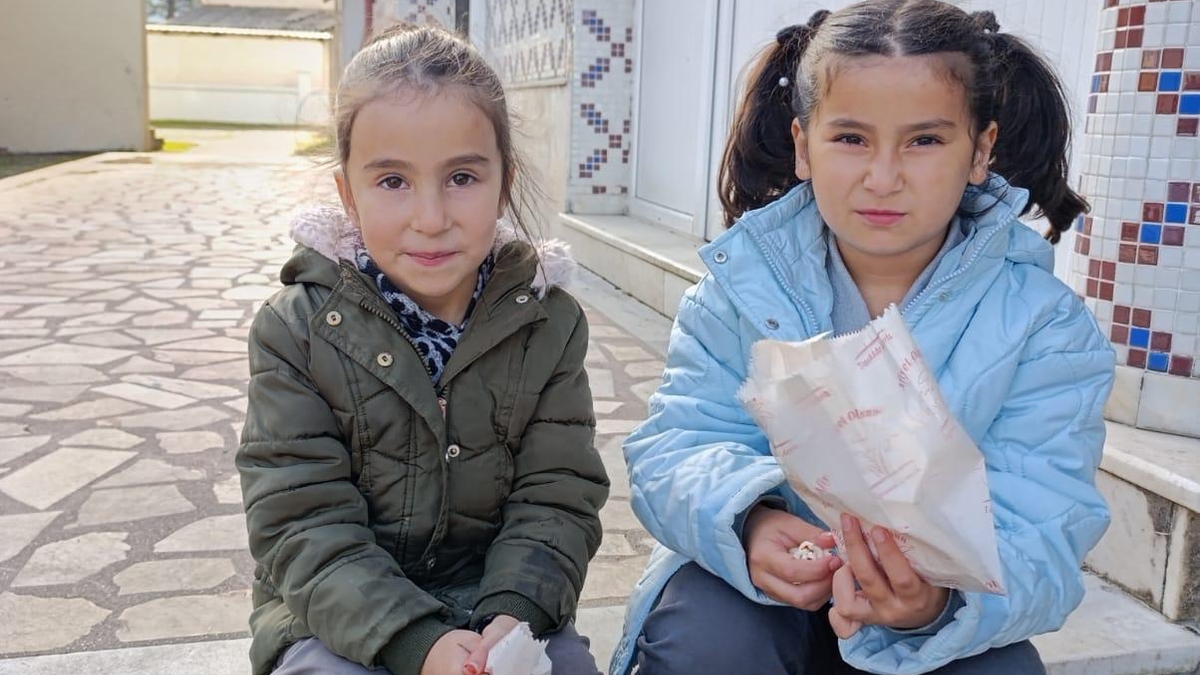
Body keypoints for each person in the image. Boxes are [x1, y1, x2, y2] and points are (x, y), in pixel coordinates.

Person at [612, 1, 1116, 674]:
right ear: (802, 145)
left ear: (981, 150)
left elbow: (1044, 530)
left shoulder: (1045, 329)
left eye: (925, 140)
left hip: (936, 627)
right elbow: (676, 446)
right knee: (706, 639)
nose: (883, 177)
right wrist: (749, 521)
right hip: (757, 593)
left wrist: (933, 601)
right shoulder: (740, 291)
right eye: (851, 138)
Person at [236, 23, 609, 675]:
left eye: (462, 176)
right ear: (347, 192)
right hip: (336, 618)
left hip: (496, 606)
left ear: (503, 180)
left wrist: (515, 611)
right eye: (392, 182)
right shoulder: (295, 330)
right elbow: (300, 519)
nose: (431, 216)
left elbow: (557, 492)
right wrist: (415, 640)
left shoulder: (550, 324)